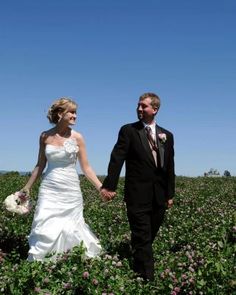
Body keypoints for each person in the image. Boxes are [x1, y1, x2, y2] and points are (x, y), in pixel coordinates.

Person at [101, 92, 175, 281]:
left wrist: (170, 193)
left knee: (148, 236)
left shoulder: (167, 135)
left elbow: (170, 166)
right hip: (136, 194)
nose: (139, 109)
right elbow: (117, 159)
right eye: (138, 105)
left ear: (155, 109)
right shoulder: (128, 130)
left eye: (144, 106)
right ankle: (146, 279)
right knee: (142, 236)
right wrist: (110, 185)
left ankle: (138, 263)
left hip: (159, 196)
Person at [21, 97, 104, 261]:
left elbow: (86, 168)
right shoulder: (45, 136)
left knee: (71, 227)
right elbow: (40, 165)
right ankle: (43, 264)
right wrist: (27, 187)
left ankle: (71, 263)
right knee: (45, 224)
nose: (75, 116)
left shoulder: (78, 137)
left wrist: (101, 188)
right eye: (72, 112)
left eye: (76, 112)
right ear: (60, 113)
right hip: (49, 188)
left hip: (70, 189)